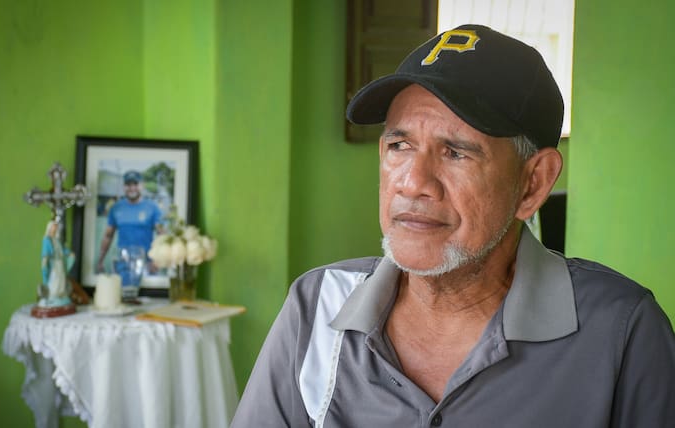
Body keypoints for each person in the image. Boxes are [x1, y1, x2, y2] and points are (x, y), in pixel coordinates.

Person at [232, 25, 675, 427]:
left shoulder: (620, 330)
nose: (413, 183)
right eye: (400, 145)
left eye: (456, 152)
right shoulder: (317, 307)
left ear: (533, 183)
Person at [96, 170, 163, 273]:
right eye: (128, 185)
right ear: (124, 187)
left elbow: (162, 235)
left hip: (146, 265)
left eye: (135, 184)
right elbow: (108, 236)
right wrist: (100, 261)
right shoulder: (116, 208)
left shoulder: (152, 207)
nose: (132, 188)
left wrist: (157, 260)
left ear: (142, 185)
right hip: (122, 263)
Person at [39, 220, 74, 307]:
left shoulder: (57, 239)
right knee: (54, 277)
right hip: (53, 262)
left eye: (56, 227)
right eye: (53, 227)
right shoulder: (47, 240)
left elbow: (62, 249)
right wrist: (45, 259)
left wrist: (69, 253)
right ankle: (53, 294)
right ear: (50, 228)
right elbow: (45, 252)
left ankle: (60, 293)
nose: (55, 229)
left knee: (61, 276)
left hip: (60, 262)